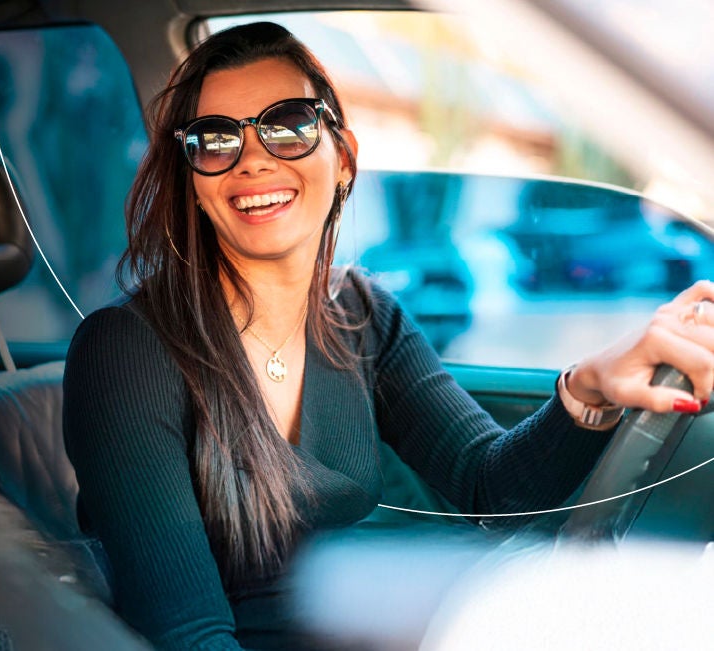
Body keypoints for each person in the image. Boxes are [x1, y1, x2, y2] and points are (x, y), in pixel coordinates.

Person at [61, 21, 714, 651]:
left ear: (342, 158)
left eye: (288, 126)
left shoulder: (361, 313)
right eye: (215, 139)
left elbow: (490, 487)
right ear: (193, 179)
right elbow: (188, 636)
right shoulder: (125, 349)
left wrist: (590, 385)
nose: (253, 160)